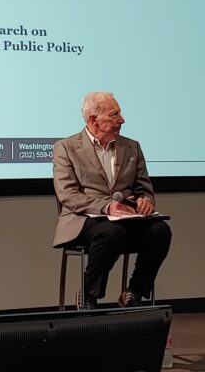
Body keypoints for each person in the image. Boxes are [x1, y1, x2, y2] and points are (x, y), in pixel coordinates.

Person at [52, 91, 172, 309]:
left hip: (126, 219)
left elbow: (143, 188)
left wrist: (146, 200)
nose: (122, 120)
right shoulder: (66, 148)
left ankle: (134, 292)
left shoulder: (131, 147)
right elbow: (68, 194)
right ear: (92, 120)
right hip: (83, 219)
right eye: (114, 115)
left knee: (160, 231)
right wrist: (106, 207)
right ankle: (89, 294)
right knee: (111, 233)